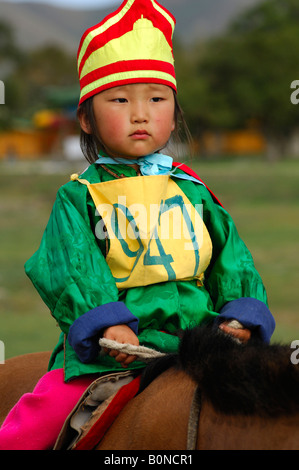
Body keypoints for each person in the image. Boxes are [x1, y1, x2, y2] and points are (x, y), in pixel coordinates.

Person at [0, 0, 275, 450]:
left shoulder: (192, 189)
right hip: (119, 348)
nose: (141, 113)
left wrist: (242, 314)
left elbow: (231, 258)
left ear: (174, 109)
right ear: (86, 118)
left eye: (156, 98)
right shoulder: (81, 196)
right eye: (121, 99)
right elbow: (70, 267)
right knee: (43, 418)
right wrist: (108, 324)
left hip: (202, 340)